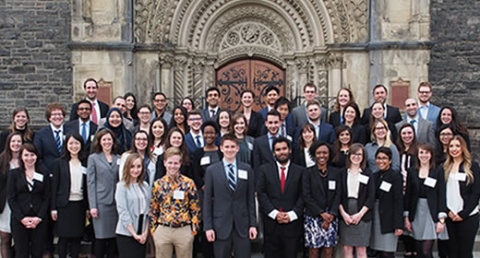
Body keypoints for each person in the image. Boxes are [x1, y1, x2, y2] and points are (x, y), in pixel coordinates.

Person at [203, 134, 257, 258]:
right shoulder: (212, 170)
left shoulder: (247, 169)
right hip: (220, 225)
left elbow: (250, 200)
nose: (229, 150)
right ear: (221, 148)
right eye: (226, 147)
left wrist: (253, 224)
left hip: (242, 225)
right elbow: (207, 201)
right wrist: (208, 227)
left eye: (233, 146)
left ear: (237, 148)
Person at [256, 137, 304, 258]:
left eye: (284, 149)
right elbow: (261, 193)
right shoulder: (264, 170)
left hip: (292, 224)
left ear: (290, 150)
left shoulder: (300, 171)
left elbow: (304, 195)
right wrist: (275, 213)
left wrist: (291, 215)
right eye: (278, 150)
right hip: (271, 223)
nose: (281, 152)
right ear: (273, 153)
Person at [149, 147, 200, 258]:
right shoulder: (158, 184)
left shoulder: (188, 183)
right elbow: (153, 209)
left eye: (176, 163)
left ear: (180, 164)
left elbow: (195, 208)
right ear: (164, 163)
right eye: (170, 163)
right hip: (163, 229)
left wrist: (193, 230)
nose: (173, 166)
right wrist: (154, 231)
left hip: (183, 229)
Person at [404, 143, 448, 258]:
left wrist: (441, 220)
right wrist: (406, 217)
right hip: (416, 212)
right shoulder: (412, 171)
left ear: (431, 155)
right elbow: (408, 194)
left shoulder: (438, 171)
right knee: (419, 251)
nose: (424, 155)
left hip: (431, 212)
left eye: (426, 152)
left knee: (426, 251)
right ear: (417, 155)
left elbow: (441, 194)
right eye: (421, 152)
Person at [7, 143, 50, 258]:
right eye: (26, 155)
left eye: (32, 155)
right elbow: (11, 198)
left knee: (37, 252)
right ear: (21, 157)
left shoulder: (44, 174)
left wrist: (39, 217)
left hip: (39, 219)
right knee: (21, 253)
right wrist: (22, 218)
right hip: (20, 219)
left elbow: (47, 197)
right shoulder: (14, 174)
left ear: (36, 156)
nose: (29, 158)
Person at [51, 132, 88, 258]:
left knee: (77, 238)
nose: (74, 146)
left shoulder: (85, 162)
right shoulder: (59, 163)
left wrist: (88, 207)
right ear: (66, 145)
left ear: (81, 145)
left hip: (79, 205)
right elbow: (54, 187)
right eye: (71, 143)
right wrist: (53, 208)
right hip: (64, 205)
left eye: (76, 143)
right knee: (63, 238)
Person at [443, 135, 480, 258]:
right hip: (450, 216)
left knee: (465, 253)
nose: (454, 149)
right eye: (451, 146)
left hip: (468, 216)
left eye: (457, 146)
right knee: (452, 252)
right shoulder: (444, 167)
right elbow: (441, 192)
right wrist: (448, 212)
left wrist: (463, 214)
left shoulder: (472, 166)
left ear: (463, 148)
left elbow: (476, 193)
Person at [302, 141, 340, 258]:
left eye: (325, 153)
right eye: (318, 153)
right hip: (313, 217)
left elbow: (338, 194)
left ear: (329, 154)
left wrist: (331, 214)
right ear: (314, 154)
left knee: (328, 251)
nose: (322, 156)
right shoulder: (308, 172)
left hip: (331, 217)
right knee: (314, 251)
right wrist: (321, 213)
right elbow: (306, 196)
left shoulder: (336, 172)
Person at [87, 129, 120, 258]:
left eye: (109, 139)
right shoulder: (93, 158)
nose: (107, 142)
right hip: (101, 203)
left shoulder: (119, 158)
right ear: (99, 142)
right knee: (100, 238)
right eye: (104, 140)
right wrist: (92, 206)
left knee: (113, 238)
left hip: (115, 204)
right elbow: (91, 182)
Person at [338, 143, 375, 258]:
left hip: (362, 213)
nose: (356, 156)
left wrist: (359, 215)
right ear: (349, 155)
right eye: (354, 153)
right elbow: (338, 195)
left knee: (361, 249)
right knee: (347, 249)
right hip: (346, 213)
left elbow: (371, 196)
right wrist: (343, 214)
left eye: (359, 154)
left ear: (363, 156)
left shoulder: (367, 173)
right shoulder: (342, 173)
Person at [191, 121, 221, 258]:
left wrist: (216, 192)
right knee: (205, 222)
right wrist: (207, 190)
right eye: (206, 132)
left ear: (216, 134)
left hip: (220, 195)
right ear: (203, 134)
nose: (209, 135)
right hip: (203, 196)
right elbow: (196, 174)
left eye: (211, 132)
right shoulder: (198, 153)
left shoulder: (221, 152)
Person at [370, 147, 403, 258]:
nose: (381, 161)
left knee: (387, 252)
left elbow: (399, 200)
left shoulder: (395, 176)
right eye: (378, 158)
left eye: (384, 158)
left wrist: (399, 224)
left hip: (389, 218)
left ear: (390, 160)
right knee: (377, 251)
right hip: (376, 215)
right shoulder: (374, 176)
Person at [115, 153, 150, 258]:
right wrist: (134, 234)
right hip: (127, 233)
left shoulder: (145, 186)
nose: (135, 170)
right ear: (127, 167)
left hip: (142, 232)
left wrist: (145, 232)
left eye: (138, 166)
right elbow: (123, 212)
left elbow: (149, 211)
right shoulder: (121, 186)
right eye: (132, 166)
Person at [395, 123, 419, 257]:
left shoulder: (418, 150)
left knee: (412, 216)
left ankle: (415, 249)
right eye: (404, 133)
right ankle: (408, 248)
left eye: (409, 133)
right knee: (402, 216)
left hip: (413, 188)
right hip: (399, 189)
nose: (407, 136)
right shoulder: (397, 150)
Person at [0, 132, 22, 258]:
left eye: (18, 141)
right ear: (8, 143)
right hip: (5, 204)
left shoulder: (26, 159)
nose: (16, 144)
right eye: (13, 141)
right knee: (5, 238)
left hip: (20, 202)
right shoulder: (2, 159)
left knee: (19, 238)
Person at [34, 102, 67, 174]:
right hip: (48, 174)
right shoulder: (40, 134)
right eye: (54, 115)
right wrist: (47, 173)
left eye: (60, 114)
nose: (57, 117)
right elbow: (38, 157)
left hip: (67, 174)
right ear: (49, 117)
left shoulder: (70, 132)